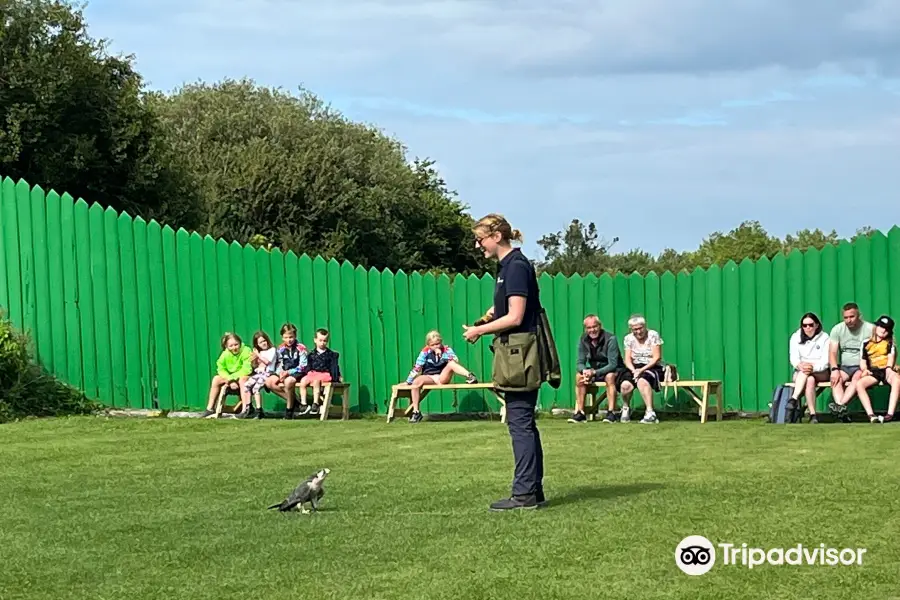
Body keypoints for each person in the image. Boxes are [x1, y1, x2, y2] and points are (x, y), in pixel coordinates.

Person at [463, 213, 545, 511]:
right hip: (516, 353)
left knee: (519, 423)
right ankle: (533, 491)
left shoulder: (515, 267)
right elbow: (506, 305)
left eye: (480, 239)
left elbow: (516, 316)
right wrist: (487, 317)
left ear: (497, 236)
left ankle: (524, 495)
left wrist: (478, 330)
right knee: (524, 423)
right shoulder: (509, 267)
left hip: (519, 355)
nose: (477, 245)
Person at [402, 330, 478, 423]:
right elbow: (417, 367)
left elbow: (455, 360)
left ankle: (470, 376)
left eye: (438, 344)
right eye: (433, 345)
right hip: (428, 376)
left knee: (451, 364)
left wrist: (442, 355)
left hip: (442, 376)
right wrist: (408, 381)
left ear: (441, 342)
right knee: (416, 382)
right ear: (428, 345)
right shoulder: (425, 352)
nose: (436, 346)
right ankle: (416, 412)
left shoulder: (446, 349)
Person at [569, 315, 624, 423]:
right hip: (594, 370)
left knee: (609, 377)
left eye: (595, 326)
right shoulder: (583, 339)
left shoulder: (611, 339)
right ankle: (580, 413)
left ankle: (611, 412)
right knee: (579, 377)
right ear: (585, 329)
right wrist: (584, 371)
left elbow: (613, 364)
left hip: (613, 370)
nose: (592, 330)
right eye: (589, 328)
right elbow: (580, 362)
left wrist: (594, 372)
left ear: (600, 326)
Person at [827, 303, 874, 419]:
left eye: (852, 317)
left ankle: (839, 405)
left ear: (859, 316)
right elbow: (832, 352)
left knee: (856, 379)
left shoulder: (870, 329)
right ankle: (841, 410)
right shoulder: (837, 329)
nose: (849, 320)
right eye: (846, 317)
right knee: (836, 380)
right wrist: (834, 369)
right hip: (845, 366)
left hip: (862, 366)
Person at [615, 314, 664, 424]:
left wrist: (641, 371)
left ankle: (650, 413)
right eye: (635, 329)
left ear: (644, 326)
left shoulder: (653, 335)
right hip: (634, 367)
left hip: (652, 366)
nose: (638, 331)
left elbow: (656, 357)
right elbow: (627, 359)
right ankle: (626, 408)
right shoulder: (628, 338)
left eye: (640, 328)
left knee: (642, 381)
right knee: (625, 385)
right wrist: (634, 370)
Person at [786, 312, 830, 423]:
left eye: (810, 325)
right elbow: (794, 358)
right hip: (802, 371)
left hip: (821, 372)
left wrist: (812, 368)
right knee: (810, 380)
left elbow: (825, 361)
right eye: (804, 325)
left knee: (807, 374)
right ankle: (813, 415)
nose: (808, 328)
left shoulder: (825, 338)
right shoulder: (795, 337)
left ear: (817, 325)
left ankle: (794, 398)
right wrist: (800, 365)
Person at [855, 315, 898, 423]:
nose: (883, 330)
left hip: (886, 369)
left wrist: (889, 368)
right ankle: (871, 415)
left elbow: (891, 358)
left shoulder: (890, 343)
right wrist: (865, 370)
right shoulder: (866, 343)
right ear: (876, 327)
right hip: (873, 371)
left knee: (897, 380)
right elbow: (863, 360)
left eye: (887, 329)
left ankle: (890, 414)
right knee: (860, 384)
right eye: (881, 327)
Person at [201, 332, 253, 418]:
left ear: (240, 343)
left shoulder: (246, 350)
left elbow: (247, 369)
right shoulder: (225, 354)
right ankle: (210, 408)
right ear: (226, 346)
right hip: (230, 378)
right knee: (216, 379)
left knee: (243, 379)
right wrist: (229, 380)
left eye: (236, 344)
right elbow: (220, 368)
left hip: (244, 376)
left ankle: (245, 409)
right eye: (231, 346)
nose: (234, 348)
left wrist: (233, 378)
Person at [265, 323, 308, 419]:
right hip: (284, 372)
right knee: (269, 382)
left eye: (291, 337)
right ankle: (295, 402)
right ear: (282, 337)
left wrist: (288, 372)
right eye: (286, 337)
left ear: (295, 336)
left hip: (297, 372)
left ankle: (289, 409)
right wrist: (280, 372)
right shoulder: (281, 349)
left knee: (288, 382)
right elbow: (278, 362)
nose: (288, 340)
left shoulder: (300, 348)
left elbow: (303, 366)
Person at [296, 328, 342, 416]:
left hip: (325, 374)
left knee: (316, 381)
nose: (322, 343)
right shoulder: (311, 354)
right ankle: (303, 404)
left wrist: (338, 376)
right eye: (320, 340)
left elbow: (334, 366)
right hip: (313, 373)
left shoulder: (331, 355)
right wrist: (307, 372)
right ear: (315, 340)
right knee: (303, 381)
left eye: (325, 341)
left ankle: (315, 403)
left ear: (327, 341)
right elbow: (308, 366)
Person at [243, 330, 276, 419]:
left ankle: (259, 410)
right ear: (257, 345)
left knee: (256, 388)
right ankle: (249, 407)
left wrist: (258, 355)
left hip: (267, 374)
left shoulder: (272, 350)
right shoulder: (260, 352)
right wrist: (254, 359)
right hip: (259, 373)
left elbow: (267, 361)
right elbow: (256, 365)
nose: (263, 343)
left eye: (264, 341)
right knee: (246, 385)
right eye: (260, 342)